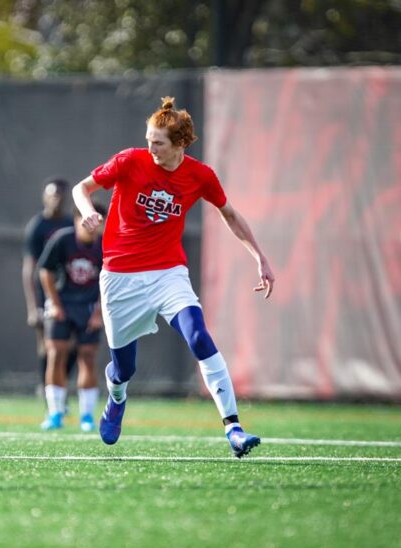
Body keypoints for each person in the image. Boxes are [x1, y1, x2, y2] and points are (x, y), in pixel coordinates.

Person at [72, 97, 275, 458]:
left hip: (168, 273)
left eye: (159, 143)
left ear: (180, 143)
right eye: (149, 140)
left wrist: (259, 257)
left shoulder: (200, 175)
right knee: (124, 368)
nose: (151, 149)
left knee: (198, 335)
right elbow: (81, 189)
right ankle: (116, 397)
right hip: (120, 276)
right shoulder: (130, 160)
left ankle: (234, 428)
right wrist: (87, 212)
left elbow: (229, 214)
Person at [37, 203, 106, 432]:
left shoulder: (106, 245)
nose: (93, 226)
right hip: (63, 304)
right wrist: (55, 305)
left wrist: (99, 313)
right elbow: (45, 270)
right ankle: (55, 412)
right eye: (88, 220)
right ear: (77, 219)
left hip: (89, 307)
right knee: (56, 353)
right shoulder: (62, 240)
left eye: (98, 221)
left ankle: (87, 416)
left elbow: (112, 282)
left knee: (87, 356)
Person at [22, 178, 76, 396]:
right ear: (45, 197)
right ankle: (47, 392)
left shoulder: (70, 225)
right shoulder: (38, 226)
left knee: (72, 345)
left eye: (60, 195)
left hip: (70, 294)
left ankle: (59, 385)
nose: (56, 199)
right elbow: (30, 269)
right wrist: (32, 307)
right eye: (52, 194)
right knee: (48, 346)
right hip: (46, 293)